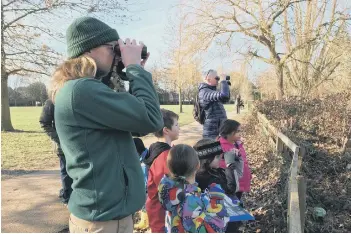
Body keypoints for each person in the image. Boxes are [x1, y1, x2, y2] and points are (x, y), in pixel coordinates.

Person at [50, 16, 164, 233]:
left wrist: (129, 69)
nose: (117, 54)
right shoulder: (80, 91)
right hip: (103, 223)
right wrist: (135, 70)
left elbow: (138, 126)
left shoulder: (86, 90)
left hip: (108, 218)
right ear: (89, 49)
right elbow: (151, 118)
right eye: (113, 48)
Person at [158, 144, 230, 233]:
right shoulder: (190, 199)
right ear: (198, 165)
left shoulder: (167, 188)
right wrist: (217, 199)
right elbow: (213, 230)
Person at [193, 138, 243, 233]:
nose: (220, 159)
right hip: (220, 223)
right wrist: (230, 165)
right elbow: (231, 189)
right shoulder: (211, 179)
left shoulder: (196, 174)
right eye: (218, 157)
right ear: (208, 160)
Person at [144, 109, 180, 233]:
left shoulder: (157, 148)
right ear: (166, 130)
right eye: (176, 125)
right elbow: (169, 189)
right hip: (161, 213)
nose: (179, 128)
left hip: (157, 209)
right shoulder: (165, 156)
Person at [39, 99, 73, 205]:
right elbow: (45, 123)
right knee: (66, 171)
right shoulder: (52, 100)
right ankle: (67, 197)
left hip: (82, 143)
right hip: (63, 145)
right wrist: (61, 139)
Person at [218, 120, 252, 200]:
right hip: (232, 183)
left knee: (238, 200)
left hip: (241, 180)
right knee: (233, 202)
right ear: (228, 132)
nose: (240, 133)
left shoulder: (237, 144)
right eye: (237, 131)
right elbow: (221, 165)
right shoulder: (222, 147)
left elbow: (244, 161)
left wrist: (248, 174)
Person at [198, 70, 230, 139]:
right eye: (217, 78)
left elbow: (226, 98)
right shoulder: (204, 91)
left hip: (219, 131)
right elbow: (224, 95)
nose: (218, 80)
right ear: (208, 79)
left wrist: (225, 84)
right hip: (211, 134)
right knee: (212, 149)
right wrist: (223, 81)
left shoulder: (212, 91)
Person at [133, 138, 149, 230]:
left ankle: (145, 222)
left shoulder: (144, 162)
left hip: (147, 188)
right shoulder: (146, 154)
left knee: (144, 202)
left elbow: (145, 180)